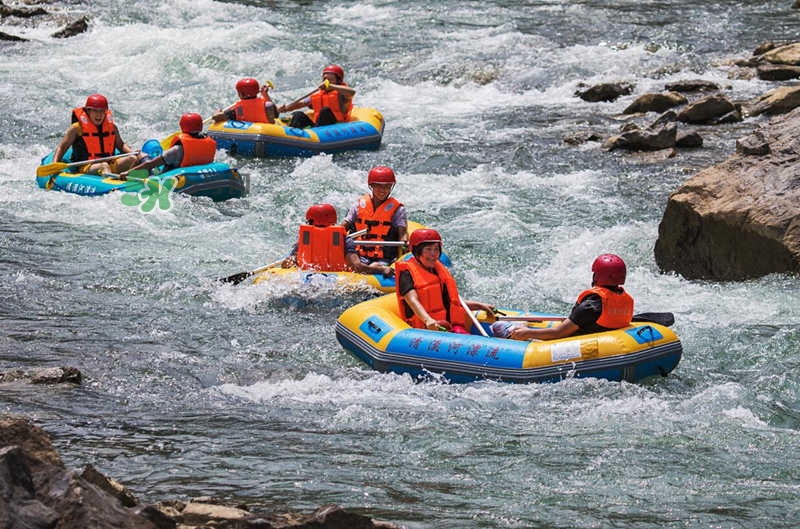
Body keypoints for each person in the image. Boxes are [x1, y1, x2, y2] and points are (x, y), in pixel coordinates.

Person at [505, 253, 634, 341]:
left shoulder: (591, 305)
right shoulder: (626, 299)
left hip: (578, 345)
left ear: (598, 276)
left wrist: (527, 332)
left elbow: (558, 333)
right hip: (606, 344)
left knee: (503, 329)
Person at [396, 229, 494, 334]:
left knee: (463, 333)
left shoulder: (439, 271)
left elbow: (450, 303)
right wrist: (427, 320)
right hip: (425, 331)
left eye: (436, 249)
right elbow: (412, 300)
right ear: (417, 252)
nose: (433, 254)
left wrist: (479, 305)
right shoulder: (407, 273)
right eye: (428, 249)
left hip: (447, 327)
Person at [282, 204, 393, 276]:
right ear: (333, 220)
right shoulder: (344, 240)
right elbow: (357, 266)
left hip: (310, 276)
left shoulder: (305, 238)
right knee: (373, 266)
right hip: (338, 277)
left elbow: (288, 263)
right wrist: (382, 270)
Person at [53, 93, 143, 175]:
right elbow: (62, 147)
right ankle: (111, 184)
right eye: (95, 111)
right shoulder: (77, 128)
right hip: (86, 166)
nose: (99, 115)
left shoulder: (112, 127)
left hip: (110, 163)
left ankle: (135, 180)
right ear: (88, 111)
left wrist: (133, 153)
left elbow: (120, 145)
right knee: (103, 166)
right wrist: (55, 164)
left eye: (102, 111)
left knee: (132, 159)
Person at [341, 166, 408, 269]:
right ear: (371, 185)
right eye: (378, 186)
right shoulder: (358, 206)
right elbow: (343, 228)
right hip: (359, 255)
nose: (383, 190)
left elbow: (402, 234)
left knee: (374, 266)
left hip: (384, 258)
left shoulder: (398, 210)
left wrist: (405, 245)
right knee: (355, 261)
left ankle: (372, 268)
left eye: (387, 186)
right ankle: (363, 267)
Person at [119, 113, 216, 179]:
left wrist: (128, 173)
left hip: (167, 177)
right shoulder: (209, 143)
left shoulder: (177, 150)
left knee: (141, 154)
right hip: (195, 176)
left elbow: (150, 165)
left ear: (182, 126)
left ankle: (126, 179)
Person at [276, 64, 355, 128]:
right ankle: (292, 138)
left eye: (330, 80)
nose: (326, 82)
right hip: (317, 127)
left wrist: (332, 86)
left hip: (336, 127)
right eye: (325, 80)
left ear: (338, 81)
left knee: (325, 111)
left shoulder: (343, 95)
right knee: (298, 115)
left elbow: (352, 92)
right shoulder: (318, 94)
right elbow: (302, 103)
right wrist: (285, 109)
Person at [211, 78, 277, 124]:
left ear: (241, 94)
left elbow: (216, 117)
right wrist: (265, 95)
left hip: (247, 136)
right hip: (269, 135)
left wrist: (218, 111)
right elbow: (276, 114)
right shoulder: (267, 105)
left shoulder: (237, 109)